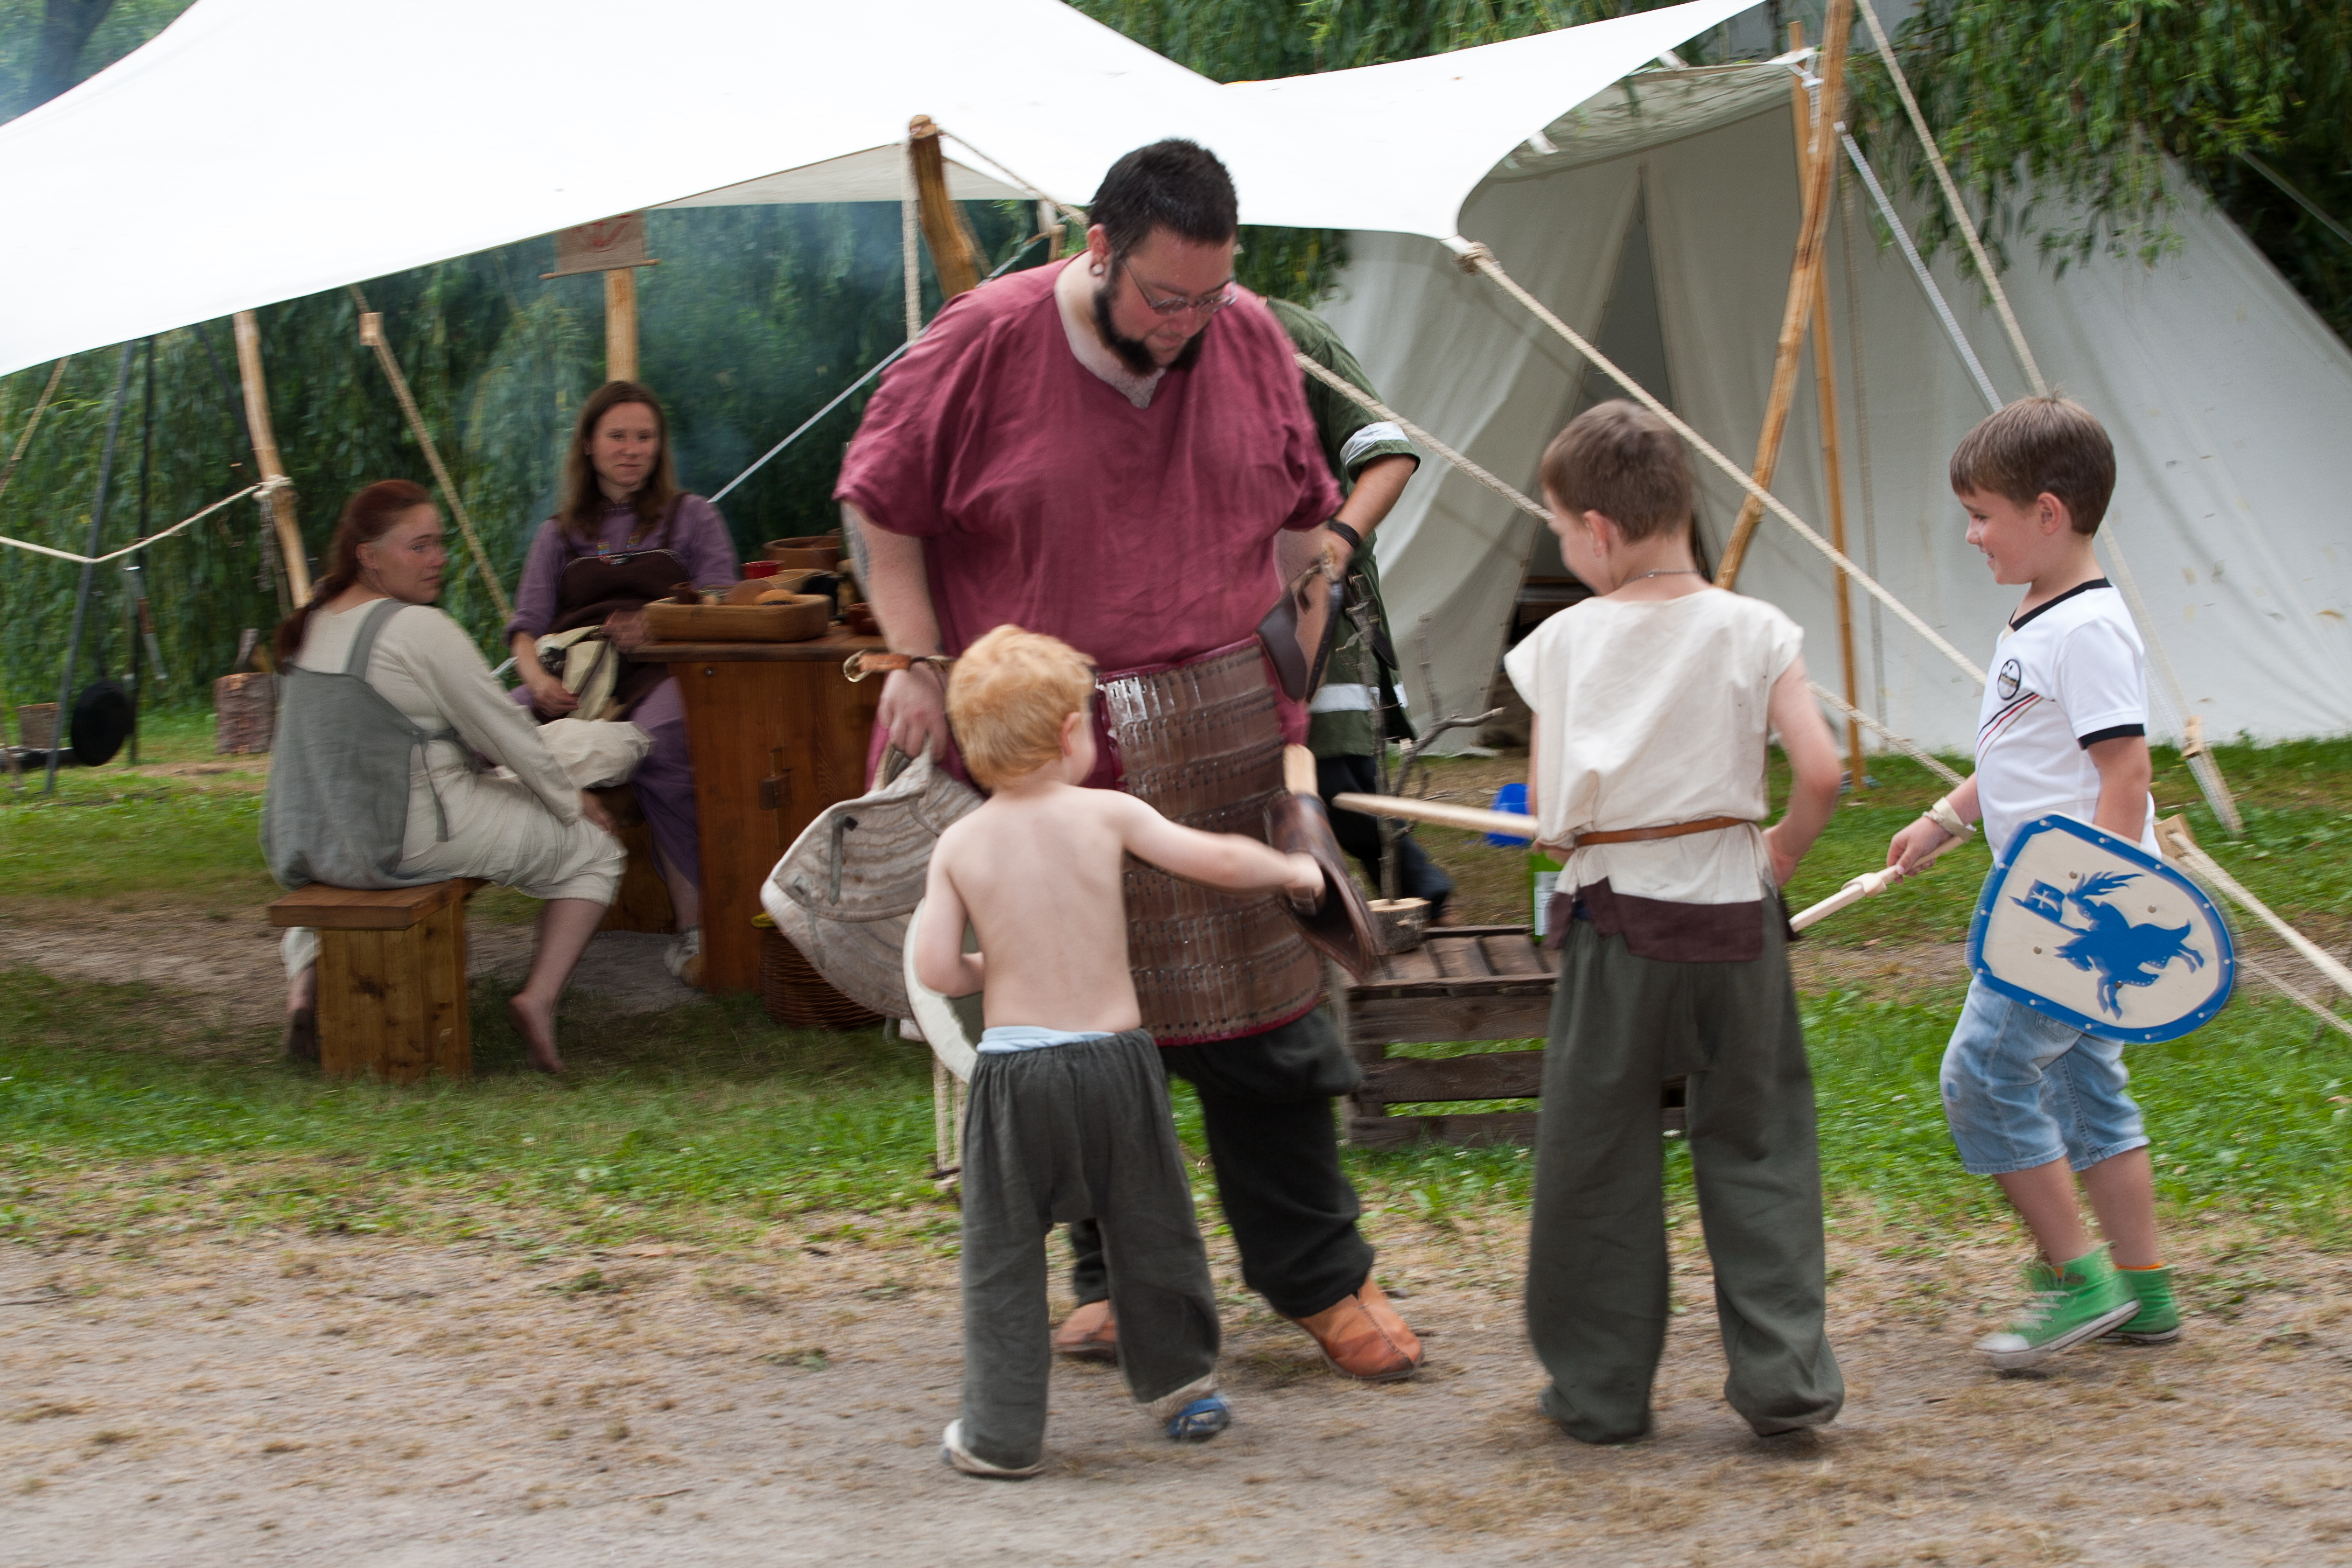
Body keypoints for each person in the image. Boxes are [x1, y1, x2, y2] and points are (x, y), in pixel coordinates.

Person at [837, 138, 1422, 1381]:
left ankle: (1321, 1275)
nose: (1188, 323)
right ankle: (1114, 1283)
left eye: (1211, 294)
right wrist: (916, 666)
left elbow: (1296, 528)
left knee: (1268, 1031)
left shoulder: (1248, 336)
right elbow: (882, 511)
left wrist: (1296, 692)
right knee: (1086, 1041)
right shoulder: (981, 342)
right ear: (1099, 249)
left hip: (1224, 729)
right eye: (1166, 296)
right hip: (1047, 748)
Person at [1505, 402, 1845, 1444]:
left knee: (1596, 1154)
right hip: (1737, 922)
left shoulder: (1563, 641)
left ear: (1598, 529)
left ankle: (1599, 1391)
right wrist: (1780, 852)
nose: (1566, 547)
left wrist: (1570, 825)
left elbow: (1549, 815)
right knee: (1759, 1138)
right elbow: (1822, 772)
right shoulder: (1757, 626)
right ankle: (1784, 1379)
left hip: (1618, 929)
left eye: (1560, 530)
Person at [914, 625, 1327, 1479]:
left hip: (1016, 1075)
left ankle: (999, 1436)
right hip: (1114, 1066)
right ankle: (1185, 1390)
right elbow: (1216, 861)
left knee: (1001, 1253)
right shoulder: (1108, 812)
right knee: (1152, 1229)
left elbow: (936, 970)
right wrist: (1292, 871)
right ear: (1072, 732)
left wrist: (999, 965)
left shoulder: (959, 844)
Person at [1885, 396, 2178, 1369]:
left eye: (1982, 515)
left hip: (2067, 918)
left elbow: (2123, 772)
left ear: (2047, 514)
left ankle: (2077, 1280)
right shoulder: (2042, 614)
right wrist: (1948, 816)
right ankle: (2142, 1289)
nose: (1971, 534)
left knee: (1981, 1075)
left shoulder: (2085, 629)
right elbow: (2024, 751)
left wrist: (2094, 904)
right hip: (2055, 906)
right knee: (2087, 1091)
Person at [265, 480, 623, 1073]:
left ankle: (304, 989)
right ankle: (537, 1000)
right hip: (401, 840)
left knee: (331, 888)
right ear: (369, 555)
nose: (439, 559)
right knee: (595, 851)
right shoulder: (416, 628)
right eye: (420, 546)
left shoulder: (312, 625)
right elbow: (503, 731)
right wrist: (570, 799)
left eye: (440, 543)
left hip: (319, 842)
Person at [505, 381, 738, 986]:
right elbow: (525, 628)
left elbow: (722, 600)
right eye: (617, 436)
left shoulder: (692, 517)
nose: (631, 449)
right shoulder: (559, 534)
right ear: (588, 444)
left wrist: (657, 624)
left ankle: (695, 928)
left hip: (666, 670)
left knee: (660, 746)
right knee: (485, 731)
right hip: (575, 675)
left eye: (644, 437)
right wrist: (537, 681)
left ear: (659, 446)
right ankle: (451, 855)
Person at [1269, 298, 1455, 918]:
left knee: (1334, 777)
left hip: (1316, 605)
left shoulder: (1294, 336)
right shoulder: (1161, 342)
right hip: (1236, 615)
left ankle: (1418, 893)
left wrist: (1337, 544)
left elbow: (1388, 456)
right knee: (1278, 782)